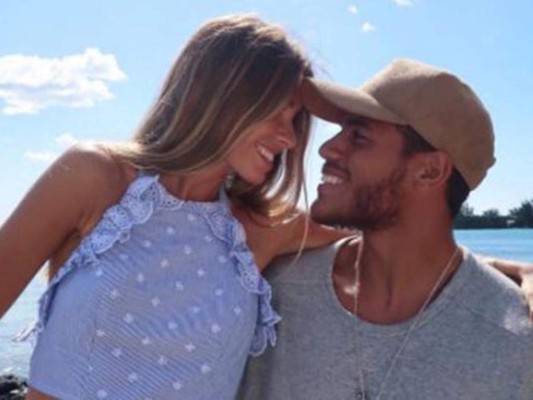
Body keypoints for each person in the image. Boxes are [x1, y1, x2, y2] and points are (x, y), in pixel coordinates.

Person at [0, 15, 342, 400]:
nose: (290, 139)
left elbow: (379, 231)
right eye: (278, 112)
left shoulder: (264, 227)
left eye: (295, 120)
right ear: (219, 94)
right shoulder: (94, 177)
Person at [239, 59, 533, 399]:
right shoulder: (270, 289)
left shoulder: (515, 337)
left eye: (359, 136)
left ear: (430, 171)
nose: (326, 148)